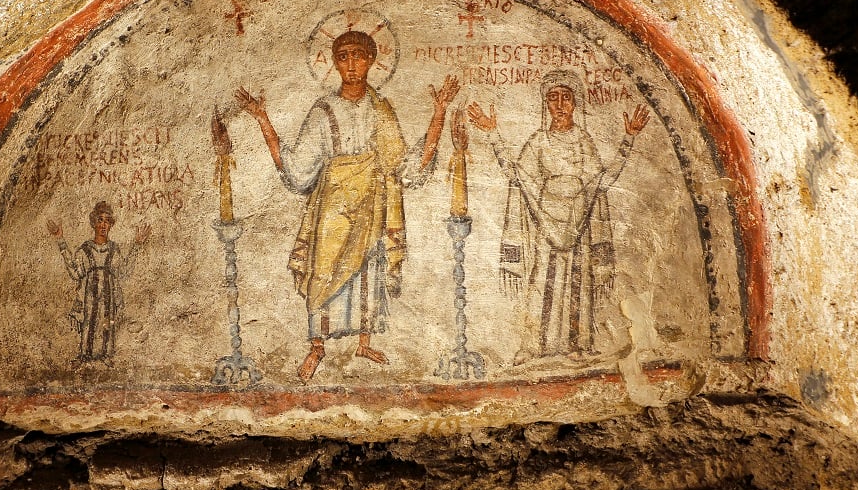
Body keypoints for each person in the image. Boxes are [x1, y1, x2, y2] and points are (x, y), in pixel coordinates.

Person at [237, 30, 460, 381]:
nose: (352, 64)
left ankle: (363, 341)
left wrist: (439, 113)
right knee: (322, 271)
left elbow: (403, 165)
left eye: (359, 55)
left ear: (372, 60)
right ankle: (316, 347)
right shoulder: (324, 110)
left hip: (372, 201)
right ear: (334, 62)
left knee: (369, 269)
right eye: (343, 56)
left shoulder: (381, 109)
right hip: (333, 204)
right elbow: (297, 168)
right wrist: (262, 119)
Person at [468, 71, 649, 364]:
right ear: (545, 105)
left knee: (578, 280)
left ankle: (577, 344)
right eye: (553, 98)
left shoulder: (582, 140)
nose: (560, 104)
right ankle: (534, 345)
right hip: (546, 217)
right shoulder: (539, 142)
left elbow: (601, 181)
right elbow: (517, 175)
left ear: (576, 103)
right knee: (543, 279)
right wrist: (493, 135)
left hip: (579, 218)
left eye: (566, 97)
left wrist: (629, 139)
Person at [47, 201, 148, 362]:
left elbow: (124, 272)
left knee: (107, 322)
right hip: (90, 296)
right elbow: (75, 272)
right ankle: (85, 355)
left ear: (111, 225)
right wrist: (60, 240)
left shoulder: (114, 250)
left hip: (108, 296)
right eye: (100, 220)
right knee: (89, 322)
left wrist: (137, 245)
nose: (103, 224)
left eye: (107, 221)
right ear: (94, 223)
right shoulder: (86, 249)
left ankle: (106, 355)